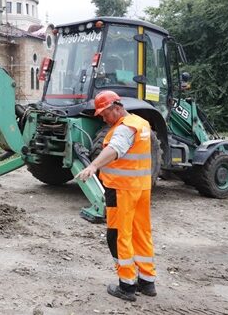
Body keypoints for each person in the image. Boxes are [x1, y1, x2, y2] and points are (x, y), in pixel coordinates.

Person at [74, 90, 156, 302]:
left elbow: (115, 149)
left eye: (104, 113)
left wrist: (93, 166)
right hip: (141, 188)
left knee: (119, 235)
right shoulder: (141, 123)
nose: (103, 118)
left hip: (122, 191)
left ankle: (127, 286)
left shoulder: (124, 128)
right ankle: (147, 282)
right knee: (141, 233)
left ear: (117, 107)